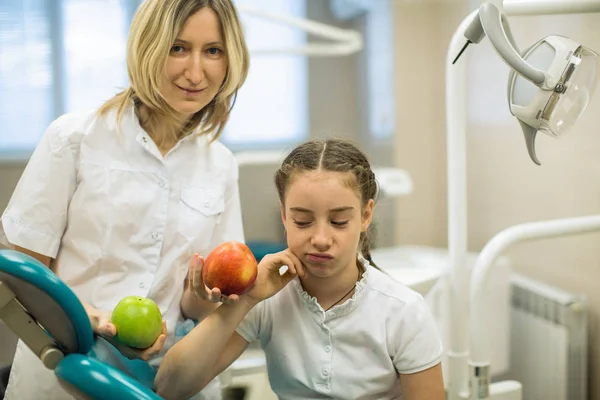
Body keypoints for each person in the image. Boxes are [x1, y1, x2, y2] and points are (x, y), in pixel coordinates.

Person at [0, 0, 249, 398]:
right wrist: (87, 317)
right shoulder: (75, 138)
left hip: (165, 379)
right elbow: (24, 275)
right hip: (66, 373)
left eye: (213, 51)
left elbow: (195, 305)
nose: (196, 71)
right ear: (148, 47)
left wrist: (203, 296)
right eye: (178, 47)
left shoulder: (220, 164)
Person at [155, 139, 446, 400]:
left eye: (339, 222)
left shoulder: (404, 312)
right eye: (303, 222)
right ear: (284, 215)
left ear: (366, 215)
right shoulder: (266, 301)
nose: (320, 239)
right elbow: (171, 387)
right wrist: (246, 299)